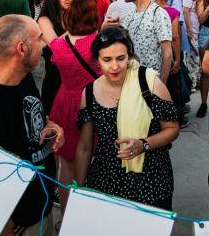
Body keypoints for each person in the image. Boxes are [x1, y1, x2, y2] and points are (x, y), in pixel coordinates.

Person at [0, 15, 64, 236]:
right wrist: (3, 221)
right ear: (22, 49)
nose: (44, 45)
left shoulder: (24, 78)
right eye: (39, 39)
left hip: (41, 205)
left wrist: (51, 125)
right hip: (18, 223)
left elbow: (34, 115)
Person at [74, 25, 180, 209]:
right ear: (97, 60)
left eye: (120, 59)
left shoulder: (149, 83)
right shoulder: (90, 93)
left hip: (150, 183)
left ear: (129, 56)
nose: (114, 66)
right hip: (105, 184)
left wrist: (143, 144)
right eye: (107, 60)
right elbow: (84, 147)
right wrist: (78, 188)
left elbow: (172, 129)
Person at [46, 0, 101, 210]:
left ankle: (69, 213)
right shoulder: (97, 41)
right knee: (94, 158)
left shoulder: (59, 43)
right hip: (93, 100)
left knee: (66, 163)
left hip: (64, 102)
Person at [115, 0, 173, 86]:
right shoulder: (131, 14)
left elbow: (167, 53)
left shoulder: (159, 14)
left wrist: (161, 85)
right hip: (131, 81)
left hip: (151, 81)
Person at [37, 0, 76, 114]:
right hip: (55, 81)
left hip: (73, 78)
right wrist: (76, 28)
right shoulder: (44, 19)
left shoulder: (70, 15)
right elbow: (55, 45)